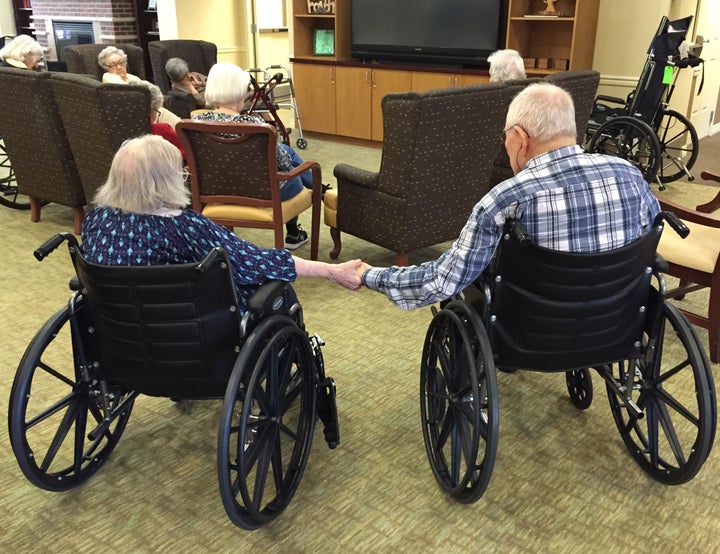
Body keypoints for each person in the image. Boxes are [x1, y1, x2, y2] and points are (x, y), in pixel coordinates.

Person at [353, 82, 661, 309]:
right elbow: (648, 244)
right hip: (618, 316)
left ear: (519, 138)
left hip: (534, 330)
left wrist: (372, 275)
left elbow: (441, 281)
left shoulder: (505, 199)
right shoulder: (629, 173)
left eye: (506, 136)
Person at [81, 134, 362, 316]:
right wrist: (331, 271)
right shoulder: (186, 227)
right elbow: (256, 261)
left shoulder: (95, 221)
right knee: (279, 289)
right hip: (188, 331)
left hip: (120, 331)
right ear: (167, 180)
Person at [193, 62, 321, 250]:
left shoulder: (196, 122)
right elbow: (283, 164)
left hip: (217, 191)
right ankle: (300, 222)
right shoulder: (254, 124)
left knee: (288, 154)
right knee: (293, 169)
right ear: (239, 92)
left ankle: (316, 196)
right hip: (263, 192)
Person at [139, 80, 185, 159]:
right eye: (156, 110)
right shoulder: (161, 130)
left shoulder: (114, 131)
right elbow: (187, 153)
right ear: (150, 111)